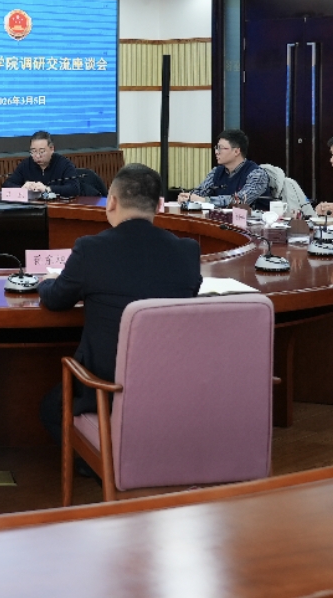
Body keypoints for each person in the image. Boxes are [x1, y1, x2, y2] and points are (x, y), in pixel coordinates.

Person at [38, 164, 203, 451]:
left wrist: (45, 282)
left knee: (51, 408)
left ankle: (102, 468)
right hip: (172, 387)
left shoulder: (90, 249)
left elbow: (55, 300)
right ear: (160, 205)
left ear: (111, 202)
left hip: (108, 388)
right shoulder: (187, 251)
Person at [178, 129, 269, 208]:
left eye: (220, 148)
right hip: (219, 219)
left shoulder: (257, 174)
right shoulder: (217, 172)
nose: (216, 152)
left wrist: (205, 201)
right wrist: (187, 197)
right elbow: (199, 193)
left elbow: (239, 201)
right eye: (216, 148)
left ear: (236, 151)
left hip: (250, 221)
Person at [2, 131, 80, 197]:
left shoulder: (64, 164)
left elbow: (74, 188)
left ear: (52, 149)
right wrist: (22, 188)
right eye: (33, 151)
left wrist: (47, 189)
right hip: (32, 207)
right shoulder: (26, 164)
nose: (37, 156)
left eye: (42, 151)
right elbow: (6, 185)